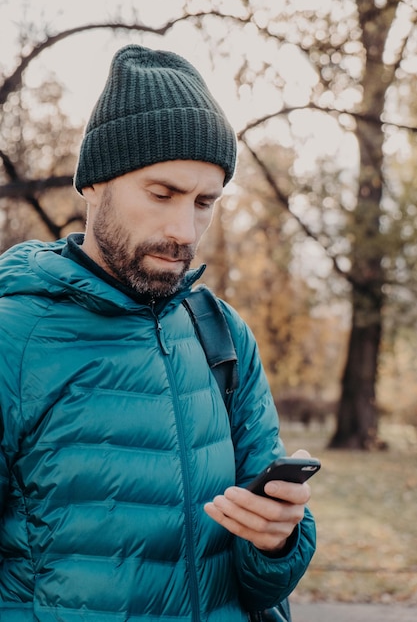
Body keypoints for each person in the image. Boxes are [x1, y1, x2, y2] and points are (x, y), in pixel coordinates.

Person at [0, 44, 316, 620]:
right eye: (161, 193)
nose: (182, 229)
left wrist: (278, 540)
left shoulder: (221, 333)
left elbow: (266, 585)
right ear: (95, 184)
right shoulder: (12, 337)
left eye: (204, 202)